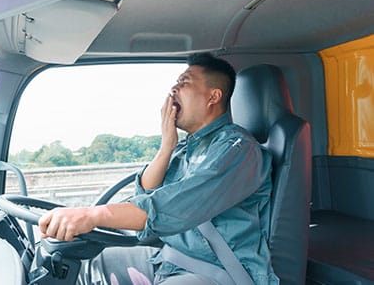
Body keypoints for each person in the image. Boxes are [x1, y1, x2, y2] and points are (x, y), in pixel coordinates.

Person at [38, 52, 279, 284]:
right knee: (88, 264)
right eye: (175, 82)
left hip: (219, 271)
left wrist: (92, 215)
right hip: (170, 259)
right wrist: (166, 147)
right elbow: (145, 197)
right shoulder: (186, 149)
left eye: (184, 82)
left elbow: (170, 208)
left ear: (213, 97)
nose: (173, 89)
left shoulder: (238, 150)